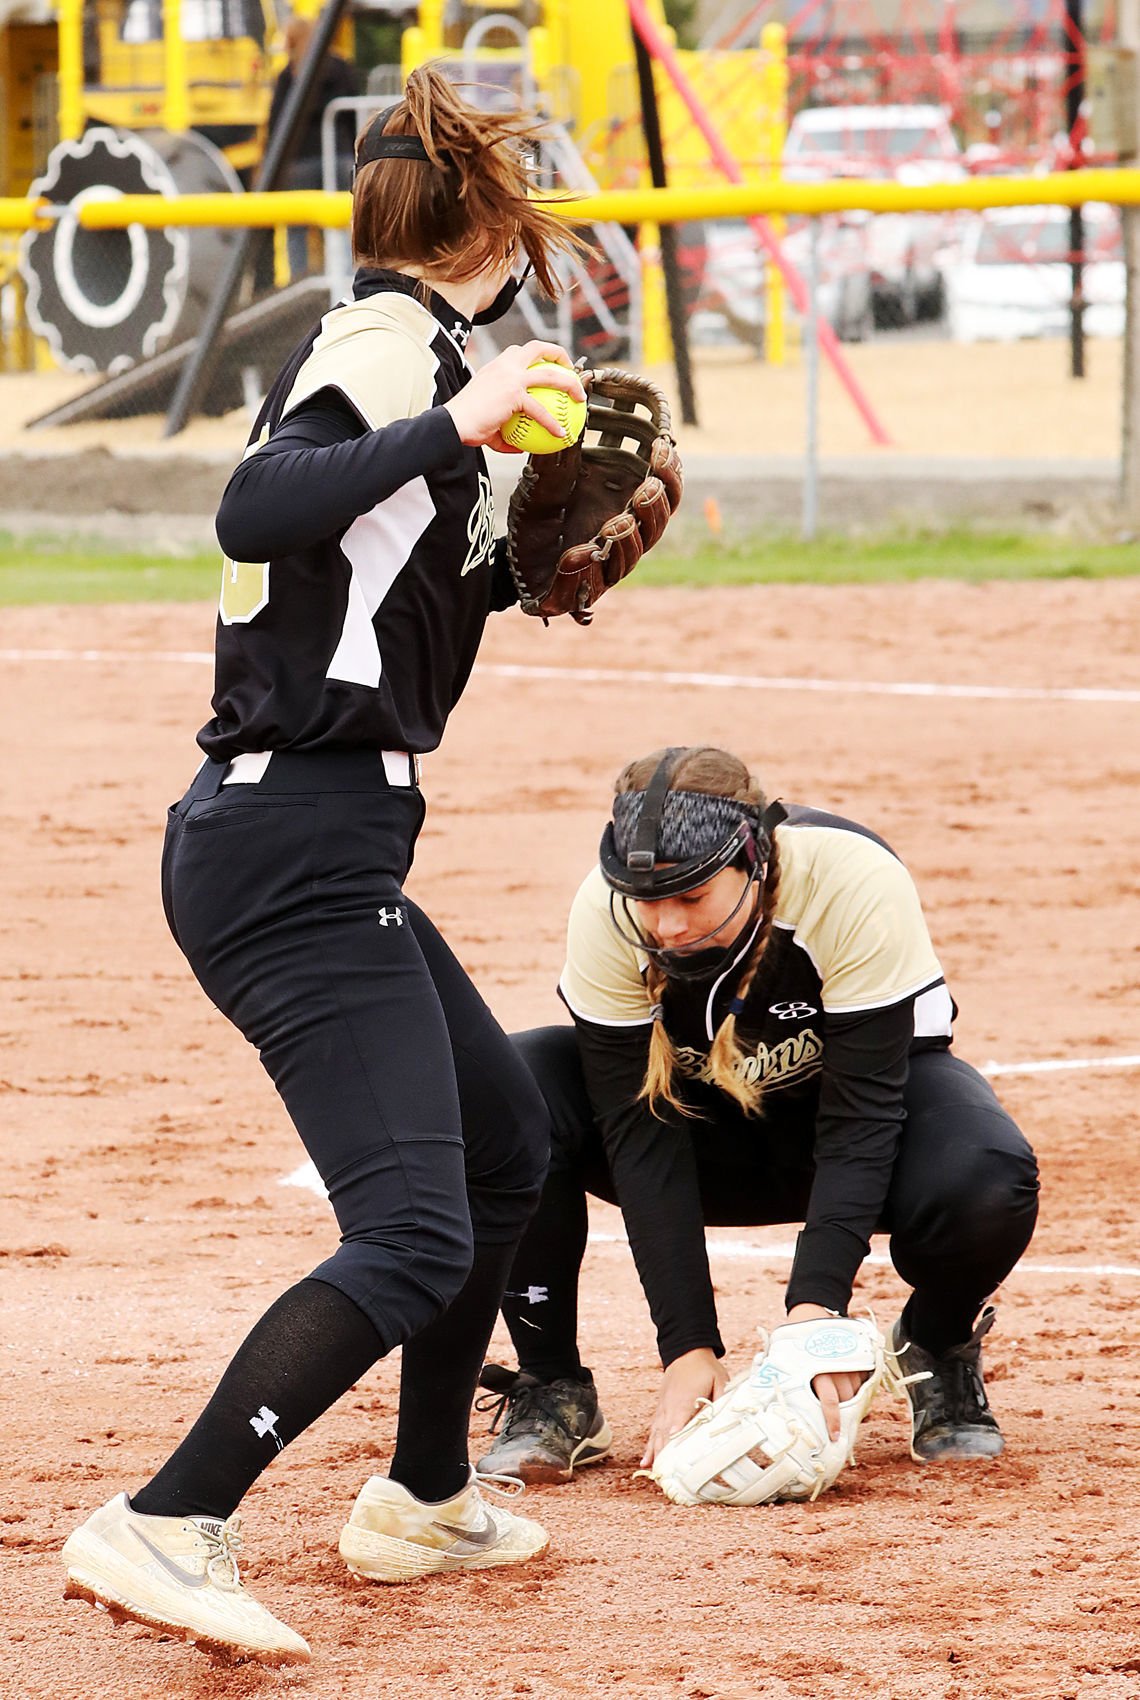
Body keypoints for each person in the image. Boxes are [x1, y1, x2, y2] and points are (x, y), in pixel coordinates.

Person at [61, 67, 589, 1667]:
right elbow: (254, 501)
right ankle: (169, 1515)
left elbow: (405, 590)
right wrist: (466, 414)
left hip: (321, 832)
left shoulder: (420, 358)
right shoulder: (391, 342)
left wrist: (549, 555)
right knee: (416, 1230)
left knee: (506, 1145)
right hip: (290, 840)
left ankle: (425, 1496)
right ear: (487, 231)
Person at [476, 745, 1040, 1484]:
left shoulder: (849, 879)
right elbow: (639, 1132)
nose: (666, 925)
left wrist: (813, 1319)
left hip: (854, 1124)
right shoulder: (608, 909)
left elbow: (864, 1115)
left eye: (692, 896)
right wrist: (687, 1347)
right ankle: (554, 1386)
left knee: (989, 1180)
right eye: (648, 900)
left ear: (757, 862)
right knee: (508, 1091)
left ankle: (934, 1342)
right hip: (698, 1133)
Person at [267, 16, 361, 277]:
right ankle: (343, 278)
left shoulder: (288, 76)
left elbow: (276, 124)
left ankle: (298, 281)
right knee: (341, 223)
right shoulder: (341, 68)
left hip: (299, 161)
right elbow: (353, 115)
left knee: (296, 229)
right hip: (339, 155)